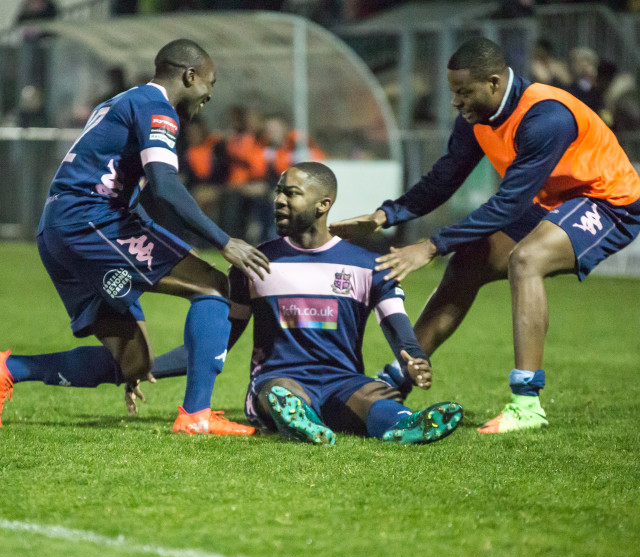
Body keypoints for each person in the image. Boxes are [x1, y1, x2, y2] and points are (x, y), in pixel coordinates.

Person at [329, 37, 640, 434]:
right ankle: (395, 380)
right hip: (554, 201)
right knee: (469, 259)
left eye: (462, 92)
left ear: (494, 83)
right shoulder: (476, 118)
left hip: (609, 201)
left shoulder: (546, 117)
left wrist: (430, 245)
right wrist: (384, 215)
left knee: (526, 260)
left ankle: (527, 404)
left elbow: (508, 205)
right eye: (453, 93)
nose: (456, 102)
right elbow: (445, 177)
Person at [0, 39, 270, 436]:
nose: (210, 95)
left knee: (133, 365)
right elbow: (164, 184)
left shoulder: (118, 103)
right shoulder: (157, 109)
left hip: (60, 230)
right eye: (209, 84)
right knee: (214, 286)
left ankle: (9, 369)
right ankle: (196, 415)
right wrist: (223, 241)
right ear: (189, 76)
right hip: (89, 221)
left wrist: (156, 257)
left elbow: (132, 193)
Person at [152, 162, 463, 445]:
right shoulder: (254, 264)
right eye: (278, 193)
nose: (279, 201)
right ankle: (301, 418)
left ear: (323, 205)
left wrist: (415, 359)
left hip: (342, 382)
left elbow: (399, 329)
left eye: (292, 194)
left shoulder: (369, 266)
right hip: (278, 379)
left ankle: (403, 425)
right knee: (280, 393)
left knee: (374, 395)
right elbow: (216, 345)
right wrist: (144, 367)